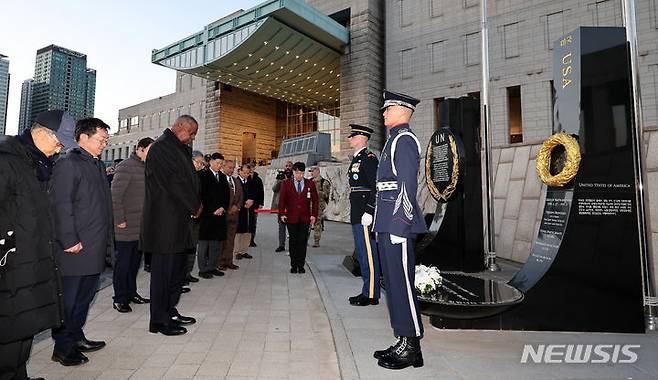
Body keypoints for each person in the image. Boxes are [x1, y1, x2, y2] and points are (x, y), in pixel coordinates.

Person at [0, 110, 75, 379]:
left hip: (34, 260)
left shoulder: (38, 163)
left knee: (24, 329)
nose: (59, 149)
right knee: (8, 336)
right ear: (41, 132)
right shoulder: (7, 160)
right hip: (10, 266)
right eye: (59, 142)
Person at [372, 91, 427, 370]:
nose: (383, 113)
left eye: (388, 108)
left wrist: (399, 224)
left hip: (397, 225)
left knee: (402, 284)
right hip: (386, 221)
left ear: (403, 110)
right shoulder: (393, 140)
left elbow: (407, 185)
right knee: (393, 284)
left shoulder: (404, 140)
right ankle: (402, 339)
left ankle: (412, 347)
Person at [50, 117, 113, 366]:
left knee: (85, 298)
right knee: (70, 300)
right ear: (83, 137)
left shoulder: (95, 164)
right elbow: (61, 205)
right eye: (101, 140)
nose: (104, 145)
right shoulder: (69, 163)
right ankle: (63, 348)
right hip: (75, 248)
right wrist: (69, 240)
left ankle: (77, 336)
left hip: (94, 245)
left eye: (107, 140)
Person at [141, 115, 201, 336]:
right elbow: (174, 183)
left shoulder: (178, 148)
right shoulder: (162, 147)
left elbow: (187, 180)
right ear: (179, 127)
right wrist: (195, 205)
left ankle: (170, 310)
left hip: (178, 222)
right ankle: (159, 320)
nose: (192, 138)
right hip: (164, 224)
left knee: (177, 272)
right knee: (163, 274)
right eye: (191, 133)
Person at [110, 137, 154, 313]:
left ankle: (131, 293)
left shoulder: (147, 168)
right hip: (125, 226)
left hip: (141, 226)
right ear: (140, 149)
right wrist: (119, 219)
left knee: (134, 263)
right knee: (123, 264)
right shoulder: (125, 166)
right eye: (150, 150)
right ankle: (119, 298)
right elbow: (115, 196)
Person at [346, 124, 381, 307]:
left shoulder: (368, 158)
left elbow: (376, 186)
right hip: (357, 213)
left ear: (361, 138)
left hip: (365, 214)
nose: (349, 139)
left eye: (352, 136)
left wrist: (370, 210)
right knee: (362, 253)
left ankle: (372, 294)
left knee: (369, 253)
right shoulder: (357, 158)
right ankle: (367, 290)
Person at [277, 162, 318, 273]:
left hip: (305, 218)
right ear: (293, 172)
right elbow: (282, 200)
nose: (299, 175)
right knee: (293, 241)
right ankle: (294, 265)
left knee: (302, 241)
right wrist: (282, 214)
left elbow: (315, 200)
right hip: (291, 217)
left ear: (304, 172)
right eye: (297, 172)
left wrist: (314, 214)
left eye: (301, 173)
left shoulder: (310, 184)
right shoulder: (286, 184)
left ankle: (301, 265)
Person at [197, 153, 229, 279]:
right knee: (204, 244)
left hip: (219, 216)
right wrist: (213, 209)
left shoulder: (222, 176)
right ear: (210, 162)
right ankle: (203, 269)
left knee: (216, 244)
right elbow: (201, 196)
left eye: (221, 164)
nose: (219, 166)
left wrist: (222, 208)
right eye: (217, 163)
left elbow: (226, 195)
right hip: (206, 216)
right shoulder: (202, 176)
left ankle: (212, 266)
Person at [218, 160, 242, 272]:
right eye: (229, 167)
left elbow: (241, 196)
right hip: (223, 216)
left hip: (234, 216)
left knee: (231, 240)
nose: (231, 170)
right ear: (223, 167)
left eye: (233, 168)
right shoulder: (220, 179)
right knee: (222, 240)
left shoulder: (236, 181)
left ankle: (229, 261)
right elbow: (219, 197)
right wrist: (228, 208)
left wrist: (236, 207)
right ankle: (220, 262)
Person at [235, 164, 255, 260]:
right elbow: (234, 197)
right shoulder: (235, 181)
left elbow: (255, 193)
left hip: (249, 210)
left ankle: (244, 251)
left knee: (248, 231)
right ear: (240, 171)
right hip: (239, 210)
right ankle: (237, 251)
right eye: (244, 172)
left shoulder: (251, 182)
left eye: (248, 173)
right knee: (238, 231)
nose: (246, 174)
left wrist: (252, 200)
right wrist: (243, 203)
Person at [272, 160, 293, 252]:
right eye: (286, 165)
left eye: (290, 166)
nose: (288, 167)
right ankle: (281, 245)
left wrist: (287, 181)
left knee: (292, 226)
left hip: (291, 206)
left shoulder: (294, 176)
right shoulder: (280, 176)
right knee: (281, 226)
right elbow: (274, 189)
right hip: (281, 205)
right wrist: (280, 181)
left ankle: (293, 245)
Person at [309, 166, 331, 248]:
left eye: (312, 171)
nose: (311, 173)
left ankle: (316, 241)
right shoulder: (310, 181)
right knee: (306, 224)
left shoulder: (324, 182)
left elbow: (326, 194)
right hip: (308, 205)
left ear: (317, 171)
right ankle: (304, 240)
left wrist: (316, 192)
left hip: (318, 205)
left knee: (317, 223)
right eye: (311, 171)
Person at [248, 164, 264, 247]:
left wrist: (261, 203)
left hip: (255, 204)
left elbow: (261, 191)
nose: (251, 169)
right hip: (246, 204)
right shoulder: (245, 177)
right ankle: (246, 240)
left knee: (253, 222)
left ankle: (252, 240)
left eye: (252, 168)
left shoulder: (258, 179)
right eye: (249, 168)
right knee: (246, 222)